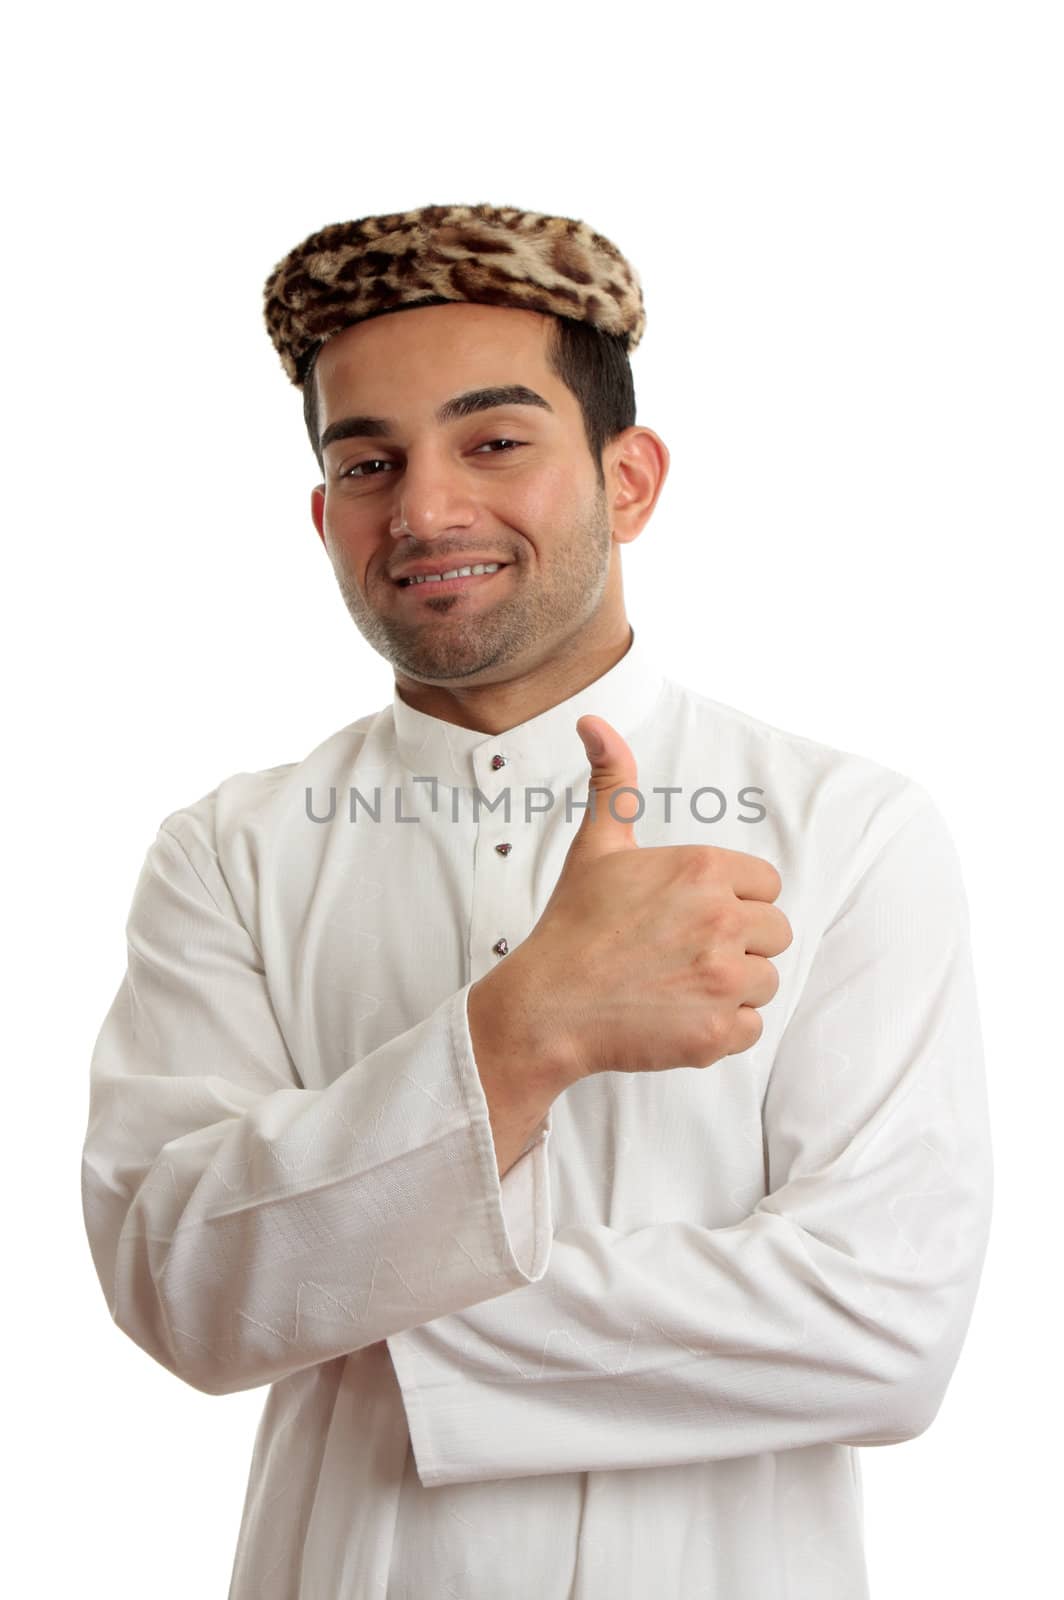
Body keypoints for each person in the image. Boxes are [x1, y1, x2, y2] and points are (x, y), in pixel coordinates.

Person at [80, 201, 994, 1599]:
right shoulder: (230, 852)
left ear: (629, 479)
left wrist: (344, 1287)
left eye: (494, 442)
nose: (427, 508)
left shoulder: (852, 830)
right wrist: (525, 1033)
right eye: (369, 462)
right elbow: (178, 1292)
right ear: (325, 517)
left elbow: (887, 1328)